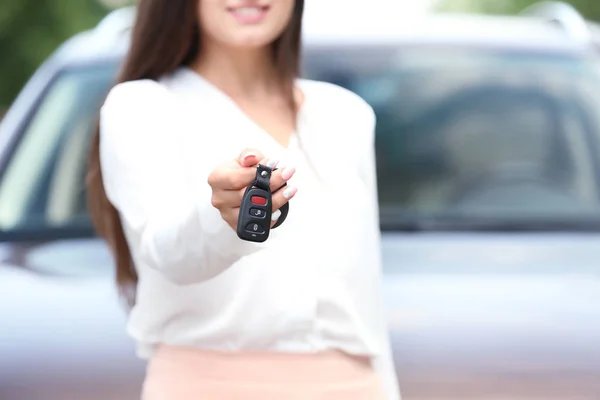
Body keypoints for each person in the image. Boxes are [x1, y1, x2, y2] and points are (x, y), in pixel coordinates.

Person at [86, 0, 400, 399]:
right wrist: (221, 217)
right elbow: (165, 253)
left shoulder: (344, 114)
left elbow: (367, 300)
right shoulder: (143, 107)